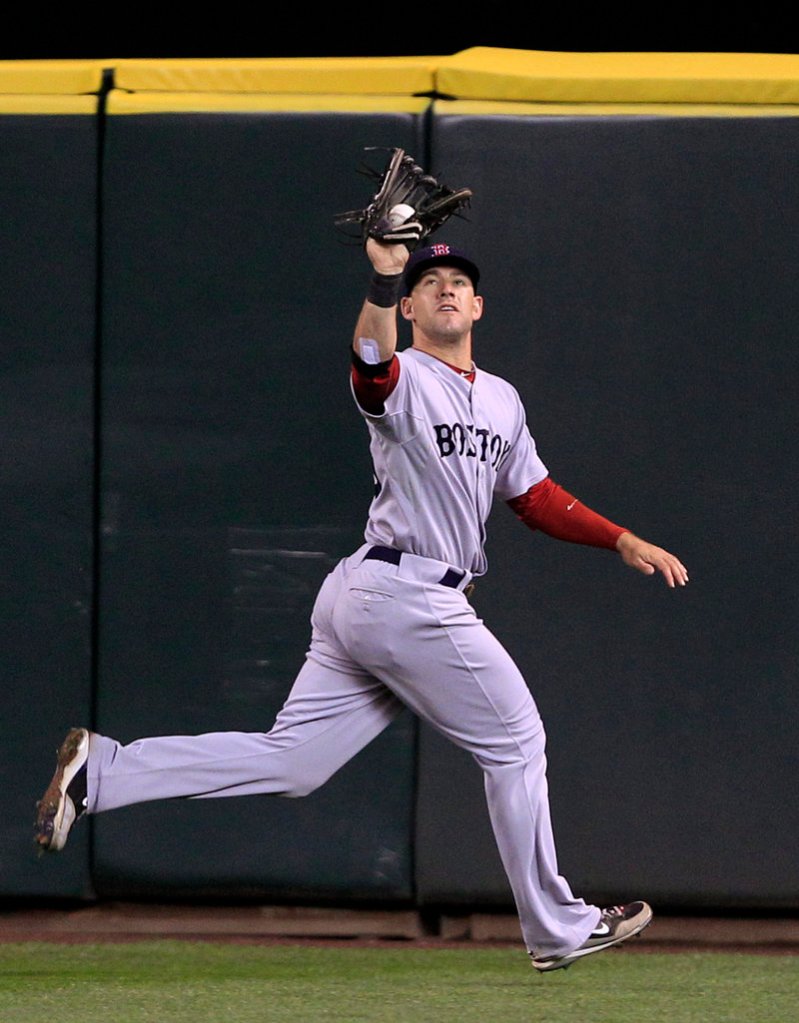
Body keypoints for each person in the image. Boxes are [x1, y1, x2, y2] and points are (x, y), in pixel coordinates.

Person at [35, 238, 688, 972]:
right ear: (408, 307)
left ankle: (106, 772)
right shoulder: (402, 374)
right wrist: (381, 277)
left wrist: (619, 537)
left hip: (369, 596)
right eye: (428, 281)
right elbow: (370, 365)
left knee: (296, 761)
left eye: (458, 282)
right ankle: (556, 926)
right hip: (405, 595)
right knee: (515, 743)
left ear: (477, 306)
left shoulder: (501, 397)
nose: (445, 289)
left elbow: (532, 497)